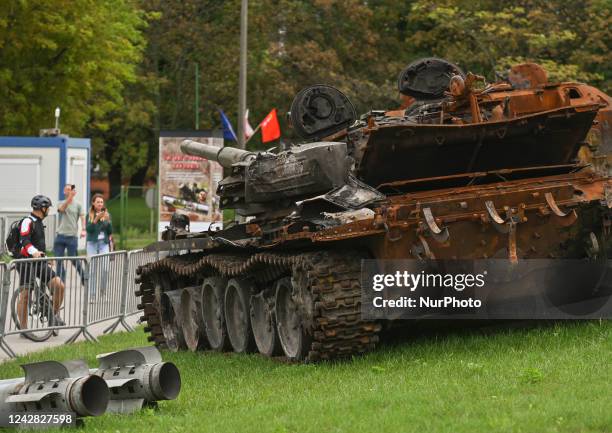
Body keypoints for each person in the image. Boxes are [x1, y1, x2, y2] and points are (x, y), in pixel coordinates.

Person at [16, 195, 65, 329]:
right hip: (25, 262)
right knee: (25, 295)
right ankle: (24, 329)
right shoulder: (27, 221)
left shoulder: (39, 222)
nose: (49, 210)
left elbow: (39, 244)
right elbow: (24, 241)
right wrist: (34, 252)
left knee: (59, 285)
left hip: (39, 262)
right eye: (47, 207)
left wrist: (45, 257)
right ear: (42, 208)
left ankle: (53, 316)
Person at [53, 184, 86, 283]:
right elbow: (61, 210)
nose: (69, 191)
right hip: (60, 236)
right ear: (64, 192)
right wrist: (69, 198)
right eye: (67, 189)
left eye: (70, 190)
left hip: (72, 237)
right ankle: (60, 282)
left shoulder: (78, 205)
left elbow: (82, 217)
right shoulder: (60, 203)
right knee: (58, 260)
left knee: (74, 260)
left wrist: (83, 229)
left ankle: (84, 276)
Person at [86, 194, 113, 300]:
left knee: (105, 268)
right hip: (92, 244)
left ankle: (103, 291)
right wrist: (96, 219)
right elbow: (89, 230)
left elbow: (110, 231)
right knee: (92, 270)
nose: (100, 204)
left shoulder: (106, 214)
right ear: (93, 203)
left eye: (101, 202)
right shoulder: (90, 214)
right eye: (98, 202)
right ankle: (92, 295)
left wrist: (108, 221)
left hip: (104, 244)